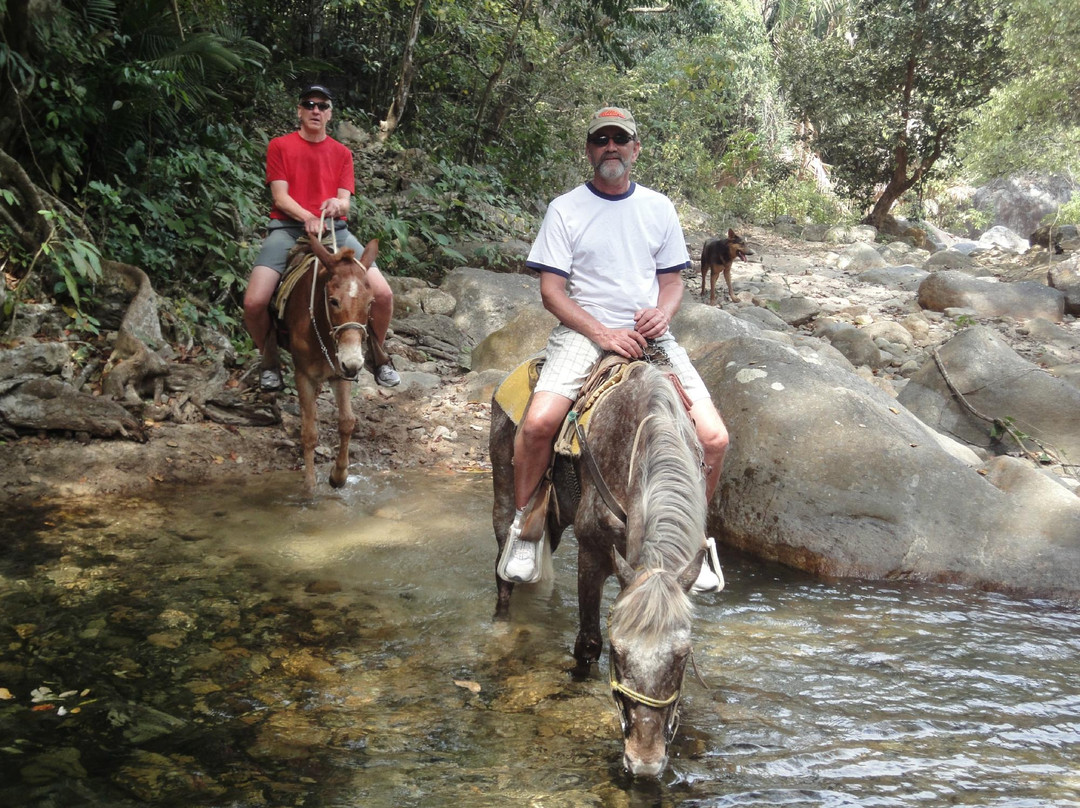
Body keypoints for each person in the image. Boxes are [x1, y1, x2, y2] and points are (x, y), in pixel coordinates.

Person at [498, 106, 729, 591]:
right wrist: (603, 334)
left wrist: (663, 313)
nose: (610, 147)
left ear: (635, 149)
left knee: (714, 439)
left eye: (619, 140)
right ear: (589, 150)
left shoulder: (658, 208)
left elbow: (671, 282)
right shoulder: (565, 208)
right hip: (584, 333)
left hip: (652, 336)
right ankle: (525, 528)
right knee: (538, 423)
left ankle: (696, 542)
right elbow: (551, 292)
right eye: (600, 140)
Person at [243, 84, 400, 391]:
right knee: (254, 301)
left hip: (335, 231)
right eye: (309, 104)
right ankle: (270, 360)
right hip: (287, 230)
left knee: (383, 295)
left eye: (322, 105)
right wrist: (307, 217)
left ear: (330, 114)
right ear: (299, 111)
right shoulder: (280, 146)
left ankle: (378, 355)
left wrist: (335, 205)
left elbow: (345, 201)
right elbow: (280, 196)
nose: (316, 110)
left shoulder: (342, 153)